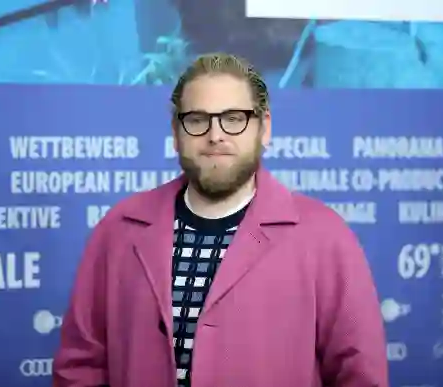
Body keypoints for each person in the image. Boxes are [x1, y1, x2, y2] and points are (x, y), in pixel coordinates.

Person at [52, 53, 389, 387]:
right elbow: (80, 367)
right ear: (176, 132)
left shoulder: (324, 237)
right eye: (198, 119)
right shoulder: (119, 230)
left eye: (233, 118)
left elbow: (359, 375)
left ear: (264, 128)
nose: (215, 135)